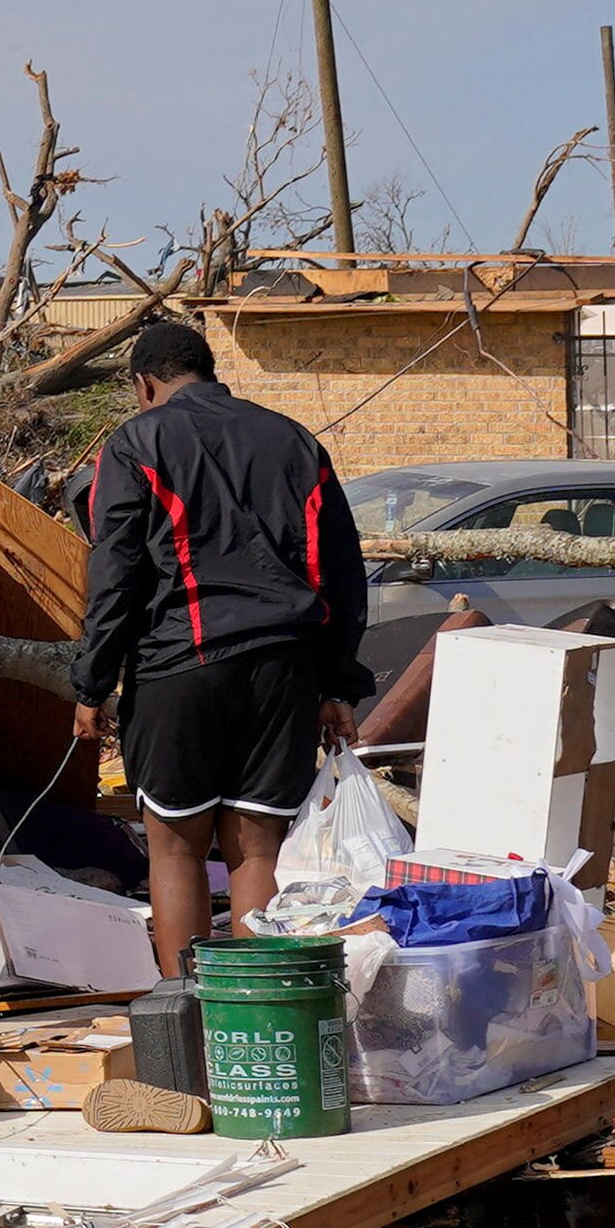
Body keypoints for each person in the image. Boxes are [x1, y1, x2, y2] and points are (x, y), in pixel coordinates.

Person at [71, 315, 372, 970]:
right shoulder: (295, 442)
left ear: (145, 383)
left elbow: (115, 574)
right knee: (258, 851)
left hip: (181, 666)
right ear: (210, 372)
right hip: (283, 670)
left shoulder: (134, 443)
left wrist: (92, 682)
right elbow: (341, 572)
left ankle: (188, 1025)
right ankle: (262, 1018)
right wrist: (337, 684)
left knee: (175, 849)